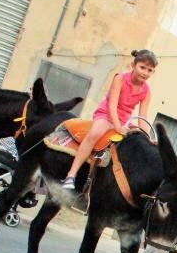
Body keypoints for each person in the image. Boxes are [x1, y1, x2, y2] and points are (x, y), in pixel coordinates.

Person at [61, 49, 156, 190]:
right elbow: (112, 105)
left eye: (150, 70)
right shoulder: (120, 79)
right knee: (94, 134)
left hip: (125, 120)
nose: (145, 73)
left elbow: (142, 117)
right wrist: (117, 126)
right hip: (107, 114)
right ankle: (71, 175)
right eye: (142, 67)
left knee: (137, 142)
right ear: (133, 65)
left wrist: (148, 137)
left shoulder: (146, 91)